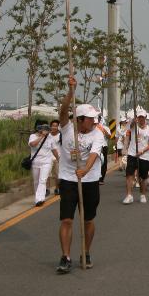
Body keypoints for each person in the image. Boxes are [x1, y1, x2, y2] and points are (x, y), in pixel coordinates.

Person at [55, 77, 105, 274]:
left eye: (94, 118)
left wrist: (85, 170)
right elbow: (62, 111)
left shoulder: (97, 133)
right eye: (90, 119)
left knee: (88, 220)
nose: (93, 121)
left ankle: (86, 252)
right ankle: (65, 257)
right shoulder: (67, 128)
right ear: (79, 120)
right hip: (68, 178)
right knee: (67, 219)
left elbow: (94, 154)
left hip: (89, 179)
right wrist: (70, 91)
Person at [122, 108, 149, 204]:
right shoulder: (133, 127)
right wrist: (133, 120)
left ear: (145, 118)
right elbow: (129, 126)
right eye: (139, 117)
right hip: (132, 154)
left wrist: (142, 151)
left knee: (143, 177)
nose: (141, 119)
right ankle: (129, 195)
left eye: (142, 117)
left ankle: (143, 194)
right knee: (129, 174)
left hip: (144, 155)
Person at [27, 120, 58, 206]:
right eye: (41, 128)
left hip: (47, 162)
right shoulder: (32, 136)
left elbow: (54, 150)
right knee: (36, 181)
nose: (44, 130)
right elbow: (33, 144)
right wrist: (41, 136)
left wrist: (59, 159)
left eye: (45, 128)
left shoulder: (50, 138)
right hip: (35, 162)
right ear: (38, 128)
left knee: (42, 180)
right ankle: (38, 196)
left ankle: (39, 199)